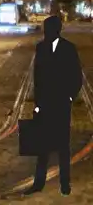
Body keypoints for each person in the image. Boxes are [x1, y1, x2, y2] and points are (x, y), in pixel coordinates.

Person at [30, 12, 83, 194]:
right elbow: (37, 77)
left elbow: (77, 75)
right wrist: (37, 103)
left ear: (57, 30)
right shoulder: (40, 48)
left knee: (63, 146)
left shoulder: (69, 48)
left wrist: (70, 97)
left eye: (49, 29)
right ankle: (38, 183)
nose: (46, 33)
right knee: (41, 146)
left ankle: (65, 184)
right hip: (44, 103)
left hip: (61, 103)